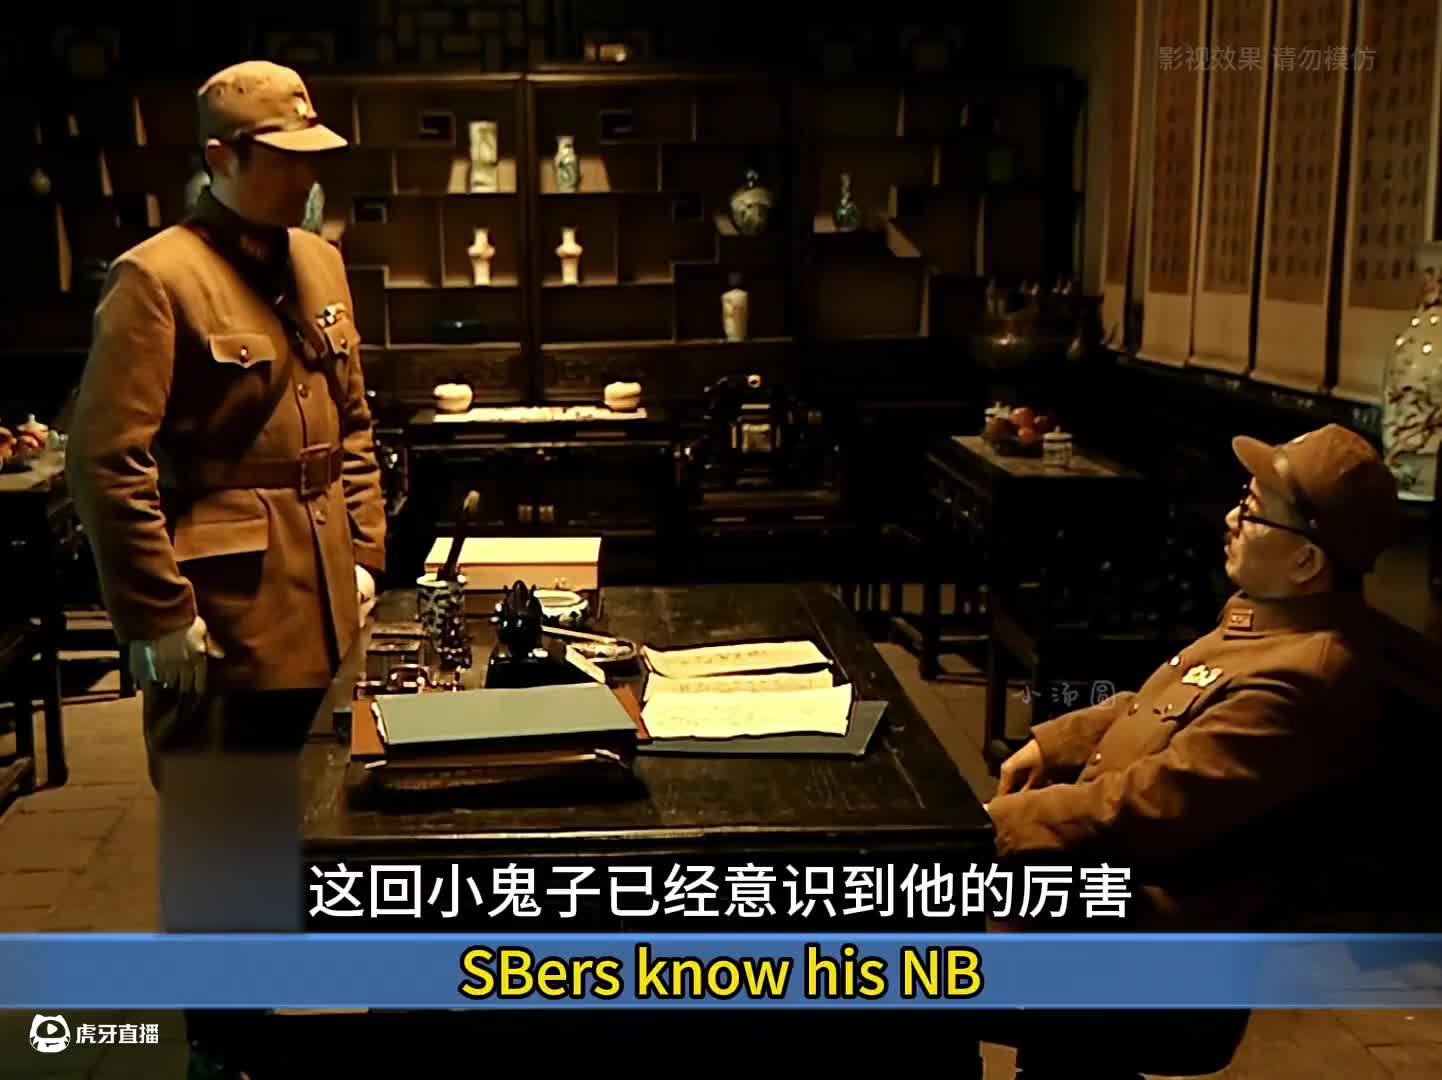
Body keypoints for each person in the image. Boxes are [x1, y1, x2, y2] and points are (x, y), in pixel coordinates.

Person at [65, 60, 387, 1079]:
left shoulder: (320, 264)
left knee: (329, 821)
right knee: (222, 836)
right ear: (219, 158)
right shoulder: (157, 277)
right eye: (281, 161)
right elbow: (106, 461)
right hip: (226, 608)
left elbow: (356, 426)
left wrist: (365, 553)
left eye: (312, 159)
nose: (304, 178)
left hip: (326, 592)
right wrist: (158, 612)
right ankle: (223, 1044)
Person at [977, 422, 1403, 1077]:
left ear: (1306, 561)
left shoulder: (1304, 677)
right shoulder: (1269, 623)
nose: (1231, 519)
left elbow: (1150, 804)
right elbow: (1163, 704)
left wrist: (987, 827)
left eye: (1253, 513)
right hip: (1100, 905)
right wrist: (1056, 742)